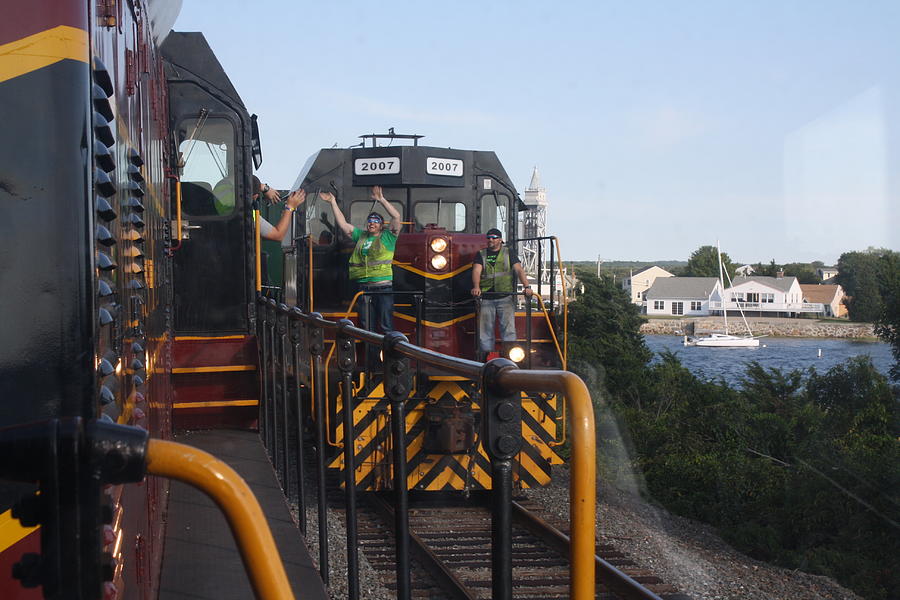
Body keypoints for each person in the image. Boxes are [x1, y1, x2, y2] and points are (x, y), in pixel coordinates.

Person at [322, 185, 401, 332]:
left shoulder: (388, 237)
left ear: (381, 225)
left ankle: (388, 355)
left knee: (386, 327)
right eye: (370, 220)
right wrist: (333, 202)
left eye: (376, 221)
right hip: (363, 288)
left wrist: (381, 199)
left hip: (383, 288)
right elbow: (343, 224)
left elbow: (396, 217)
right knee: (366, 328)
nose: (372, 223)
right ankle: (371, 355)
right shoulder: (361, 236)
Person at [470, 228, 533, 359]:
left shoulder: (509, 253)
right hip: (486, 297)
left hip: (505, 297)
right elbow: (476, 271)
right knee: (485, 331)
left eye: (493, 237)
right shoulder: (481, 254)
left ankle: (510, 358)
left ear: (500, 240)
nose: (490, 240)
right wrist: (476, 287)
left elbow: (519, 270)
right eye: (488, 238)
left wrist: (527, 286)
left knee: (508, 330)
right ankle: (486, 359)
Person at [252, 175, 305, 242]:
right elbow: (278, 235)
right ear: (255, 196)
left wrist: (264, 187)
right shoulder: (249, 215)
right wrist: (290, 207)